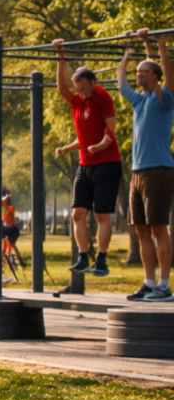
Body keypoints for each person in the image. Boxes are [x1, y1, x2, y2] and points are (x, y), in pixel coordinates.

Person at [54, 40, 122, 276]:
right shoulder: (78, 101)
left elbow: (110, 131)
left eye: (83, 87)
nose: (79, 92)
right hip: (86, 164)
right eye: (77, 88)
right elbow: (61, 87)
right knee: (77, 213)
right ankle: (83, 255)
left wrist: (102, 144)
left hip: (107, 164)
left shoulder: (102, 97)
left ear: (92, 82)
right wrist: (61, 55)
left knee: (102, 214)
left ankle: (101, 259)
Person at [118, 30, 174, 301]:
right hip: (138, 172)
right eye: (137, 72)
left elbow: (167, 74)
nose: (138, 75)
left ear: (155, 76)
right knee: (140, 229)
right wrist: (130, 54)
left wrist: (160, 46)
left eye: (143, 72)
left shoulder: (164, 100)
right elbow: (121, 85)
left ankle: (164, 285)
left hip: (159, 171)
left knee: (158, 227)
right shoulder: (139, 102)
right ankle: (149, 282)